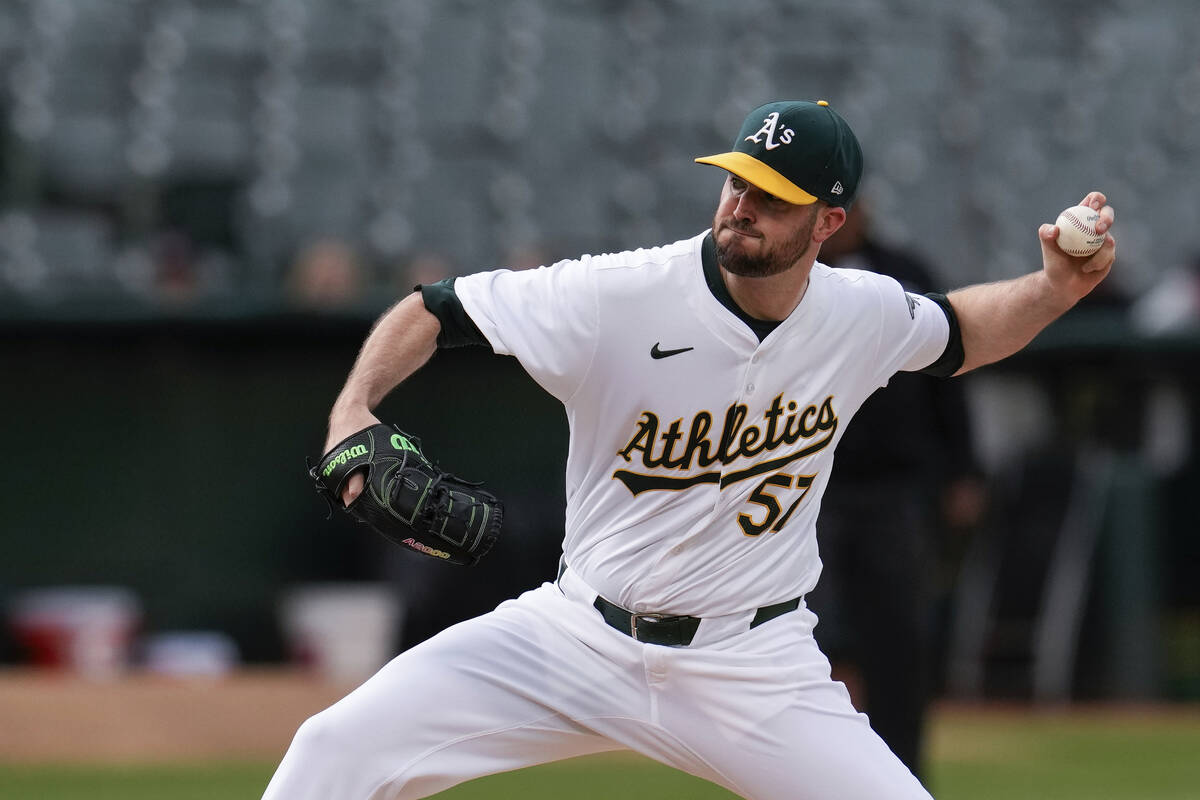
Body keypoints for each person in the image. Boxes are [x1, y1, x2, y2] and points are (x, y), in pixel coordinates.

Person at [263, 100, 1116, 800]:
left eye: (771, 195)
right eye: (736, 181)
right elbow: (435, 309)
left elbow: (964, 330)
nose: (741, 206)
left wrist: (1050, 289)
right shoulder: (617, 295)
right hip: (576, 638)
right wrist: (351, 411)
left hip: (752, 665)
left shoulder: (860, 312)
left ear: (829, 221)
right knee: (332, 750)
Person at [804, 201, 987, 778]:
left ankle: (903, 774)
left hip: (896, 489)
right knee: (809, 637)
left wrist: (964, 469)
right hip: (807, 489)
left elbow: (950, 376)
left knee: (900, 638)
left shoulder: (902, 273)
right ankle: (820, 774)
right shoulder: (788, 280)